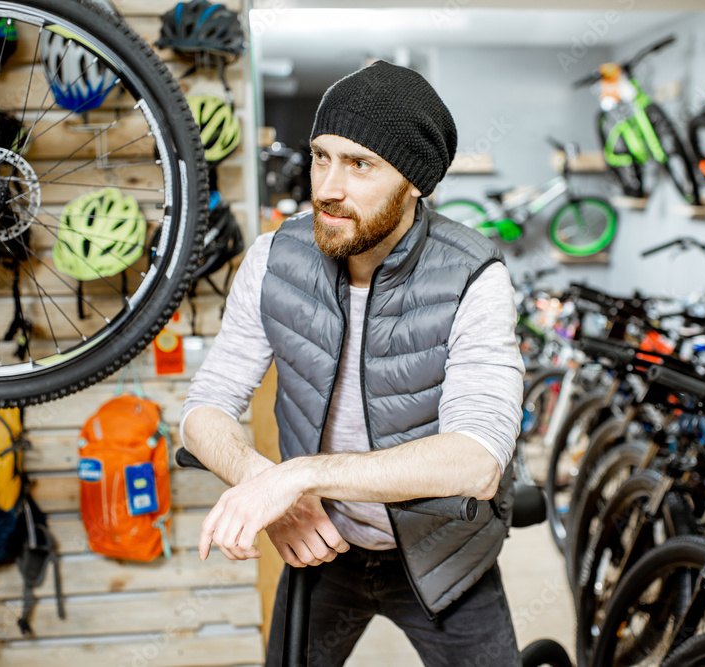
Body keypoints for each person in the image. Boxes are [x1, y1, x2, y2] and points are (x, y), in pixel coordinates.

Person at [180, 60, 525, 666]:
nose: (327, 187)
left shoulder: (476, 276)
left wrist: (297, 476)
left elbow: (476, 461)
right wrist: (270, 486)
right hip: (321, 550)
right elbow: (203, 409)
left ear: (414, 182)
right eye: (321, 156)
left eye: (360, 164)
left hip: (446, 557)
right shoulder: (273, 259)